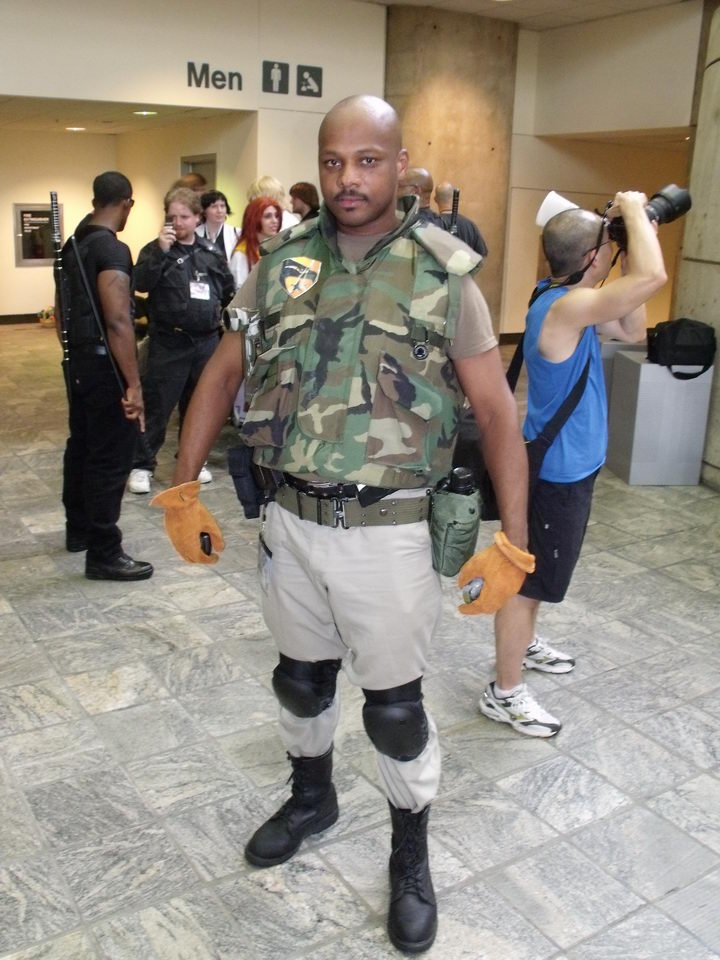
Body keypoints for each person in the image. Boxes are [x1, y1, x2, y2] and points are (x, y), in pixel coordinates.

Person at [151, 95, 531, 954]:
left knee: (394, 710)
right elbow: (223, 372)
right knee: (300, 682)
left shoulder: (444, 274)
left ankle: (409, 854)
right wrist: (182, 485)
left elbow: (496, 412)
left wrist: (514, 538)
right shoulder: (283, 262)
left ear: (399, 165)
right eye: (333, 161)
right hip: (290, 521)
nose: (347, 178)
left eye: (367, 160)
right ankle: (311, 797)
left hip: (389, 533)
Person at [480, 192, 667, 738]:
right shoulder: (565, 308)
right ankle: (504, 692)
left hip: (569, 466)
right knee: (528, 584)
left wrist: (626, 246)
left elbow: (632, 330)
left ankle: (524, 643)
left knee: (540, 576)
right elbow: (654, 278)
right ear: (590, 258)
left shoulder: (561, 294)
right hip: (556, 474)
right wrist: (635, 213)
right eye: (607, 247)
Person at [56, 171, 153, 581]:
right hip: (105, 366)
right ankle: (103, 551)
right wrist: (133, 384)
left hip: (79, 362)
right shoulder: (112, 248)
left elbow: (60, 313)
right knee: (110, 457)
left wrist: (76, 360)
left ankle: (78, 529)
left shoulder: (72, 245)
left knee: (81, 446)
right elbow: (117, 320)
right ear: (127, 203)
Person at [127, 187, 235, 495]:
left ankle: (193, 461)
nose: (177, 223)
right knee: (158, 406)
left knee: (198, 405)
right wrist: (160, 252)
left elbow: (227, 289)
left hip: (205, 342)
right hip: (169, 342)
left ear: (197, 217)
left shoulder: (211, 252)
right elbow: (140, 284)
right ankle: (142, 465)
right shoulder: (155, 250)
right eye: (171, 217)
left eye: (184, 217)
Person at [228, 196, 282, 290]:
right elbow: (241, 292)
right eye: (268, 216)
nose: (275, 221)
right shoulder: (241, 254)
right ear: (254, 219)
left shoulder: (277, 246)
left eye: (276, 216)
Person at [434, 180, 488, 258]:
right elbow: (481, 255)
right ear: (453, 197)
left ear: (435, 199)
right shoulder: (470, 225)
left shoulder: (433, 225)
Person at [196, 190, 240, 263]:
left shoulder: (237, 233)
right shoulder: (195, 234)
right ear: (204, 211)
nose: (219, 211)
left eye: (222, 206)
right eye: (214, 206)